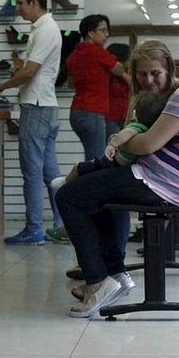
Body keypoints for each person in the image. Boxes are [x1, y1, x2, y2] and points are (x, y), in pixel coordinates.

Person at [55, 31, 179, 318]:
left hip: (162, 183)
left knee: (69, 195)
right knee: (93, 191)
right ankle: (114, 275)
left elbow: (147, 144)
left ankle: (96, 282)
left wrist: (118, 139)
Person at [0, 0, 63, 246]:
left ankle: (33, 229)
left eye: (20, 3)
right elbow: (32, 70)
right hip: (47, 106)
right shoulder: (43, 29)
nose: (17, 8)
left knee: (32, 172)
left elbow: (31, 72)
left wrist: (0, 86)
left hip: (37, 106)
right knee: (50, 173)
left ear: (34, 2)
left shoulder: (45, 29)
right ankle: (61, 225)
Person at [49, 13, 129, 243]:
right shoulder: (95, 51)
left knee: (100, 161)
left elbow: (74, 81)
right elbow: (117, 69)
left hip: (79, 111)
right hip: (93, 111)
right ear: (91, 32)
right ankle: (84, 215)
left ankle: (89, 213)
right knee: (96, 165)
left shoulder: (75, 54)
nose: (106, 34)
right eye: (103, 30)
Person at [103, 42, 131, 139]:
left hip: (125, 116)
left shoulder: (127, 72)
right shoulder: (105, 73)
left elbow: (134, 85)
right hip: (109, 117)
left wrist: (122, 73)